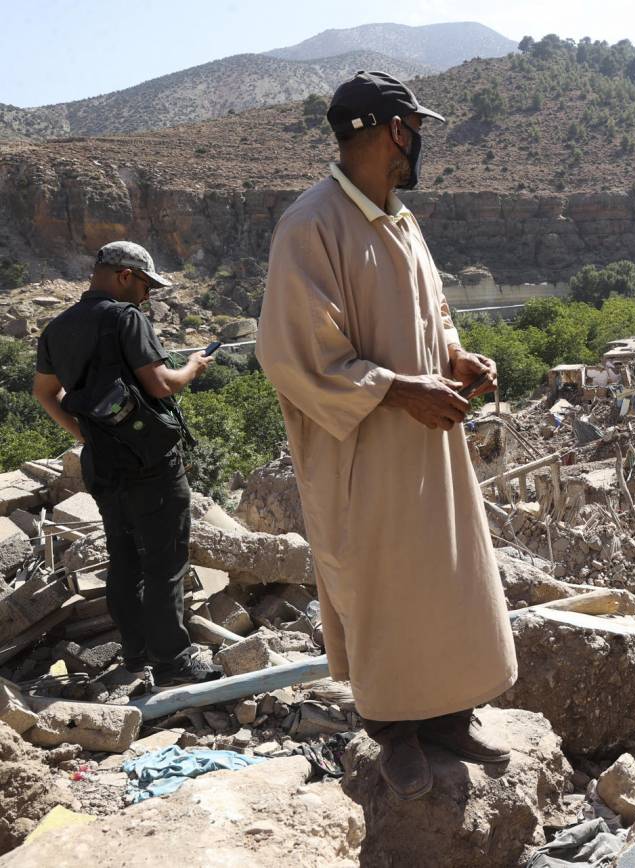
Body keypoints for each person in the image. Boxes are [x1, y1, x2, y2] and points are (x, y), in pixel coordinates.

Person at [256, 71, 517, 800]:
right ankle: (393, 730)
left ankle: (449, 716)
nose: (420, 143)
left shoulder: (401, 221)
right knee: (381, 585)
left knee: (443, 576)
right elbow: (294, 355)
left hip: (428, 443)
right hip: (363, 453)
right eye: (415, 130)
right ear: (394, 130)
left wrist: (459, 358)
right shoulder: (312, 225)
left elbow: (434, 318)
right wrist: (401, 390)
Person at [32, 241, 217, 685]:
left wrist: (86, 436)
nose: (148, 295)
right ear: (123, 276)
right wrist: (193, 366)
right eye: (146, 284)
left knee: (124, 559)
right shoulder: (125, 317)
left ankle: (136, 657)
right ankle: (173, 661)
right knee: (165, 560)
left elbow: (44, 393)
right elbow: (160, 386)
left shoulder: (56, 329)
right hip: (150, 461)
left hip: (103, 464)